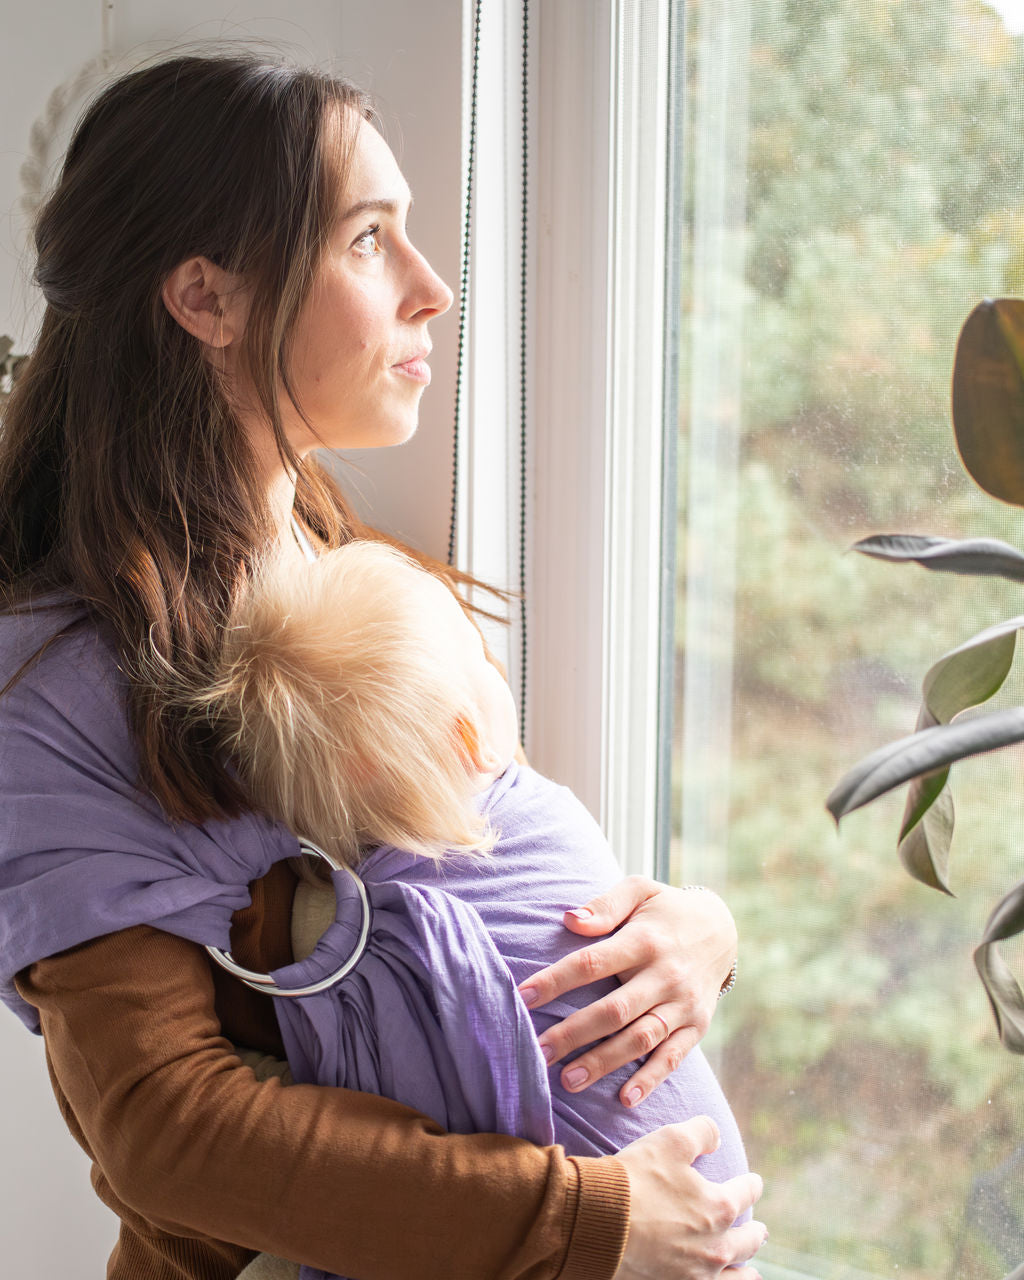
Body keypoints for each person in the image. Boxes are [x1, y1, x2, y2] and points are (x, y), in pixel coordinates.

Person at [0, 53, 767, 1280]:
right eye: (368, 239)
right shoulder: (57, 688)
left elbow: (484, 880)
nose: (435, 289)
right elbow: (171, 1132)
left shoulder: (338, 565)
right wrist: (580, 1219)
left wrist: (686, 934)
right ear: (207, 296)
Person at [197, 538, 751, 1280]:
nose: (497, 670)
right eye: (482, 657)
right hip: (681, 1223)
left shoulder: (342, 944)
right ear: (470, 738)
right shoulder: (550, 817)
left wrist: (713, 932)